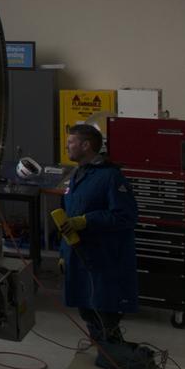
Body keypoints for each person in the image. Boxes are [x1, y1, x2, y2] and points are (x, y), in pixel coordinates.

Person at [58, 122, 139, 346]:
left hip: (104, 258)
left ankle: (112, 353)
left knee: (106, 311)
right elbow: (69, 214)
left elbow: (126, 216)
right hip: (79, 255)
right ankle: (104, 351)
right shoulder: (77, 174)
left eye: (71, 142)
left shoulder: (111, 176)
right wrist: (62, 253)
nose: (67, 147)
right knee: (87, 309)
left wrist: (87, 221)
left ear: (86, 145)